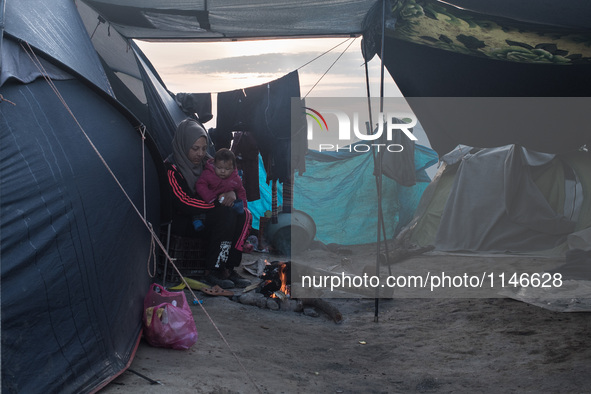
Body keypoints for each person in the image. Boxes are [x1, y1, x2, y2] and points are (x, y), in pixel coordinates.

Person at [164, 118, 252, 289]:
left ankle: (228, 267)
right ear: (184, 145)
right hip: (186, 221)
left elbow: (231, 179)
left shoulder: (209, 163)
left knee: (243, 214)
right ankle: (213, 270)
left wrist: (231, 193)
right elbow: (184, 202)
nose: (200, 153)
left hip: (208, 216)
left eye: (204, 148)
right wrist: (218, 203)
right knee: (226, 213)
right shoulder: (172, 169)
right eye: (195, 148)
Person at [195, 148, 247, 220]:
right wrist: (210, 198)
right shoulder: (208, 173)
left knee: (236, 214)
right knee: (200, 214)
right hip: (209, 203)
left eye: (227, 169)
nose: (222, 171)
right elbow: (200, 185)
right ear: (214, 164)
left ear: (233, 168)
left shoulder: (235, 179)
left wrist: (244, 207)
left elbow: (241, 191)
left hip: (226, 204)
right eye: (219, 167)